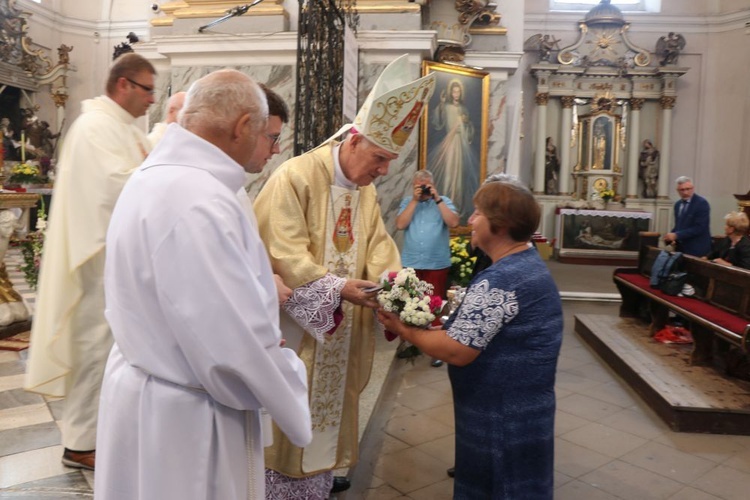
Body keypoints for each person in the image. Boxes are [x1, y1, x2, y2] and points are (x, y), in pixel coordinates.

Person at [94, 69, 312, 500]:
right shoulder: (201, 201)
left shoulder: (153, 177)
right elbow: (231, 351)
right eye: (267, 135)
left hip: (149, 391)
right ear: (243, 126)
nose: (273, 148)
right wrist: (286, 372)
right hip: (188, 421)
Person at [254, 54, 435, 498]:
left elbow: (377, 247)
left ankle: (315, 481)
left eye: (391, 161)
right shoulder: (295, 176)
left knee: (328, 420)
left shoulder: (364, 191)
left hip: (340, 332)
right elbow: (282, 251)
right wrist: (338, 288)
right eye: (378, 158)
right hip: (296, 331)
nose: (383, 171)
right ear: (353, 141)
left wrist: (399, 288)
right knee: (288, 424)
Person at [378, 178, 563, 499]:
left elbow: (457, 350)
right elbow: (479, 333)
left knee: (498, 485)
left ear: (500, 225)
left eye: (478, 213)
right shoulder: (526, 264)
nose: (471, 220)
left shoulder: (502, 279)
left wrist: (404, 329)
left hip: (500, 415)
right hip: (522, 406)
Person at [24, 52, 156, 470]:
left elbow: (141, 166)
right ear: (123, 85)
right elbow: (113, 185)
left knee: (110, 350)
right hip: (94, 263)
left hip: (114, 263)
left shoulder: (121, 127)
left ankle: (103, 434)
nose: (151, 99)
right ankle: (79, 443)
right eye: (147, 89)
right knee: (93, 350)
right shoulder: (94, 126)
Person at [396, 169, 459, 367]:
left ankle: (438, 350)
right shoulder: (408, 202)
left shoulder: (443, 201)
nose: (422, 188)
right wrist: (415, 201)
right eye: (419, 185)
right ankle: (410, 344)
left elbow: (454, 222)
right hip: (412, 262)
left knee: (436, 305)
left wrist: (437, 198)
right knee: (409, 305)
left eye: (425, 185)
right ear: (413, 185)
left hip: (436, 262)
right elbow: (400, 224)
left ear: (432, 184)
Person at [429, 78, 479, 224]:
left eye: (458, 91)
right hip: (450, 143)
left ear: (460, 92)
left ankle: (456, 205)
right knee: (449, 173)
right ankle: (446, 204)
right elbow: (437, 121)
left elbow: (469, 129)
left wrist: (466, 123)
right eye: (454, 91)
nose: (456, 93)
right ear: (451, 92)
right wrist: (441, 103)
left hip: (461, 143)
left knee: (460, 176)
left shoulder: (464, 109)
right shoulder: (446, 106)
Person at [664, 176, 712, 257]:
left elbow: (699, 227)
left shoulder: (701, 203)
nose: (685, 192)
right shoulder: (678, 205)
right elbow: (679, 225)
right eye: (682, 190)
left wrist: (677, 235)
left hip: (697, 248)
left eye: (688, 189)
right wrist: (670, 235)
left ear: (692, 188)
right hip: (681, 248)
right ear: (678, 191)